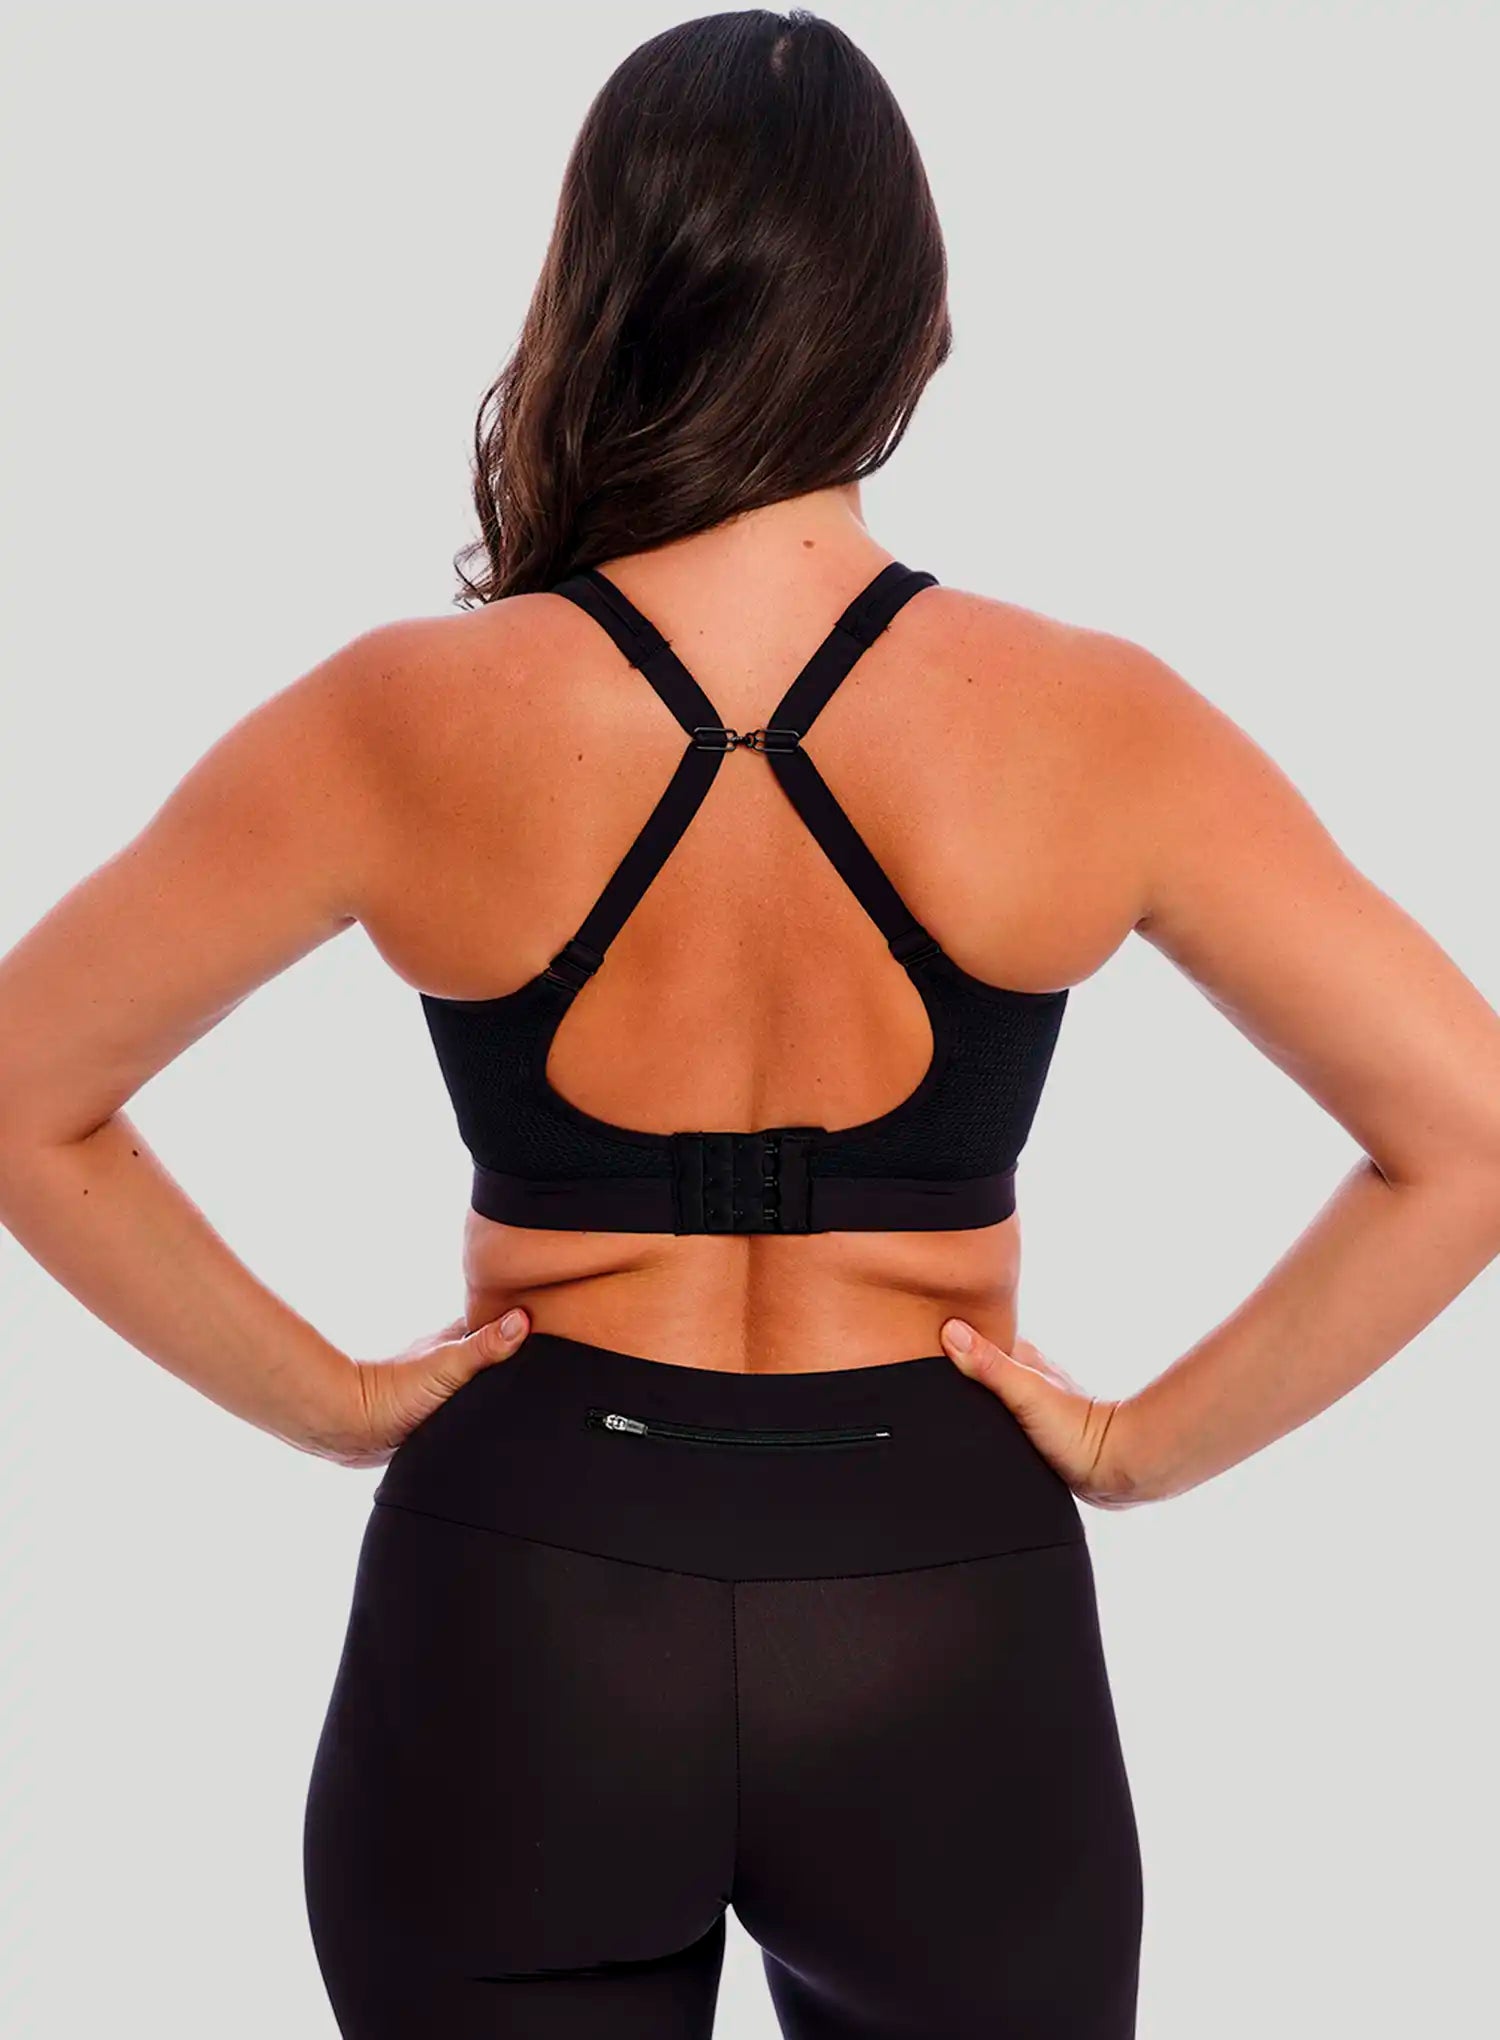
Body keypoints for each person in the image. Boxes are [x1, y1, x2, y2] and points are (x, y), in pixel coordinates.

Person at [2, 10, 1498, 2037]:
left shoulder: (404, 717)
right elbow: (1465, 1132)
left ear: (600, 295)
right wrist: (1140, 1450)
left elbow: (26, 1087)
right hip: (940, 1602)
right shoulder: (1090, 722)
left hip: (527, 1594)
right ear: (910, 323)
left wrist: (329, 1402)